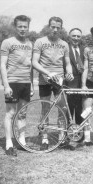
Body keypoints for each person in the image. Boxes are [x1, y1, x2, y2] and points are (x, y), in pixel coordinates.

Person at [32, 16, 74, 150]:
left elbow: (67, 63)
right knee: (45, 108)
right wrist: (48, 73)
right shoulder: (40, 41)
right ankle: (44, 139)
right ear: (48, 26)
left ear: (61, 28)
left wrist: (69, 72)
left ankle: (61, 138)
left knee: (62, 108)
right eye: (53, 27)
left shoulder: (64, 44)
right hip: (45, 80)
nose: (55, 30)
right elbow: (34, 62)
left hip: (59, 80)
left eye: (58, 27)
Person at [0, 15, 33, 156]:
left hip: (26, 83)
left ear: (28, 27)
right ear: (15, 27)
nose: (23, 29)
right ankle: (9, 144)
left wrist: (31, 85)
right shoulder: (7, 42)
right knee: (11, 113)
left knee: (23, 113)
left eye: (25, 26)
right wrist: (6, 86)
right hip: (13, 82)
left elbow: (30, 67)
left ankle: (22, 141)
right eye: (20, 26)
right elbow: (2, 65)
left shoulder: (30, 44)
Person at [64, 28, 84, 125]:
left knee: (81, 110)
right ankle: (67, 134)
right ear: (69, 37)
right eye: (74, 36)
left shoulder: (84, 49)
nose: (76, 38)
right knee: (68, 110)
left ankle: (79, 134)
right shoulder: (65, 48)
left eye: (78, 36)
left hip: (82, 85)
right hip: (69, 83)